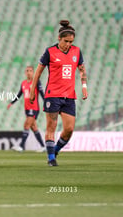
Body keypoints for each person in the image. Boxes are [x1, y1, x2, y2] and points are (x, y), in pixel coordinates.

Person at [29, 20, 88, 166]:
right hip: (53, 95)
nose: (68, 44)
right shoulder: (50, 52)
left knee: (69, 129)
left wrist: (84, 86)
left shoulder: (76, 51)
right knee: (51, 127)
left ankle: (54, 150)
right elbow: (38, 72)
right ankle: (51, 159)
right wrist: (32, 90)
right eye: (66, 41)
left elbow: (81, 69)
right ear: (59, 38)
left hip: (69, 97)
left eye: (71, 41)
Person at [7, 66, 46, 152]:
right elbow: (19, 94)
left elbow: (42, 93)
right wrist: (11, 103)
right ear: (25, 73)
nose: (29, 72)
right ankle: (43, 146)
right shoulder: (23, 83)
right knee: (34, 127)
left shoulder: (36, 82)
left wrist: (46, 103)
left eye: (30, 71)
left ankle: (21, 146)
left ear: (33, 72)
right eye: (27, 71)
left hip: (34, 108)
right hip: (27, 109)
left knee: (26, 125)